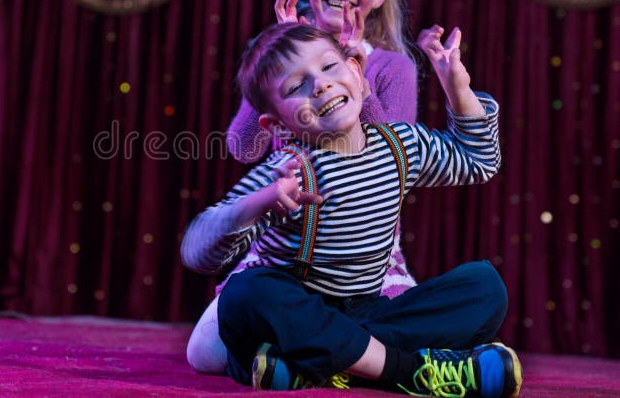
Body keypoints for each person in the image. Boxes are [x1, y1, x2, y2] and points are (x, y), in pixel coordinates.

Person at [181, 22, 522, 397]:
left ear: (358, 75)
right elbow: (197, 252)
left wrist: (457, 86)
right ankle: (411, 371)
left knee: (484, 288)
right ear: (277, 124)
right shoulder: (288, 174)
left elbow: (478, 161)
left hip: (368, 313)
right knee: (245, 292)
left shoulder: (401, 145)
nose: (321, 85)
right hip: (299, 316)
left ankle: (315, 365)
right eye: (296, 87)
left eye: (329, 67)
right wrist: (255, 203)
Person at [187, 0, 429, 374]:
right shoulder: (280, 58)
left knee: (413, 325)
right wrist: (272, 63)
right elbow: (244, 148)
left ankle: (306, 358)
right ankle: (321, 355)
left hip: (362, 252)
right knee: (205, 355)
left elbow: (398, 164)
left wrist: (359, 79)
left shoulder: (390, 68)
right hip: (286, 243)